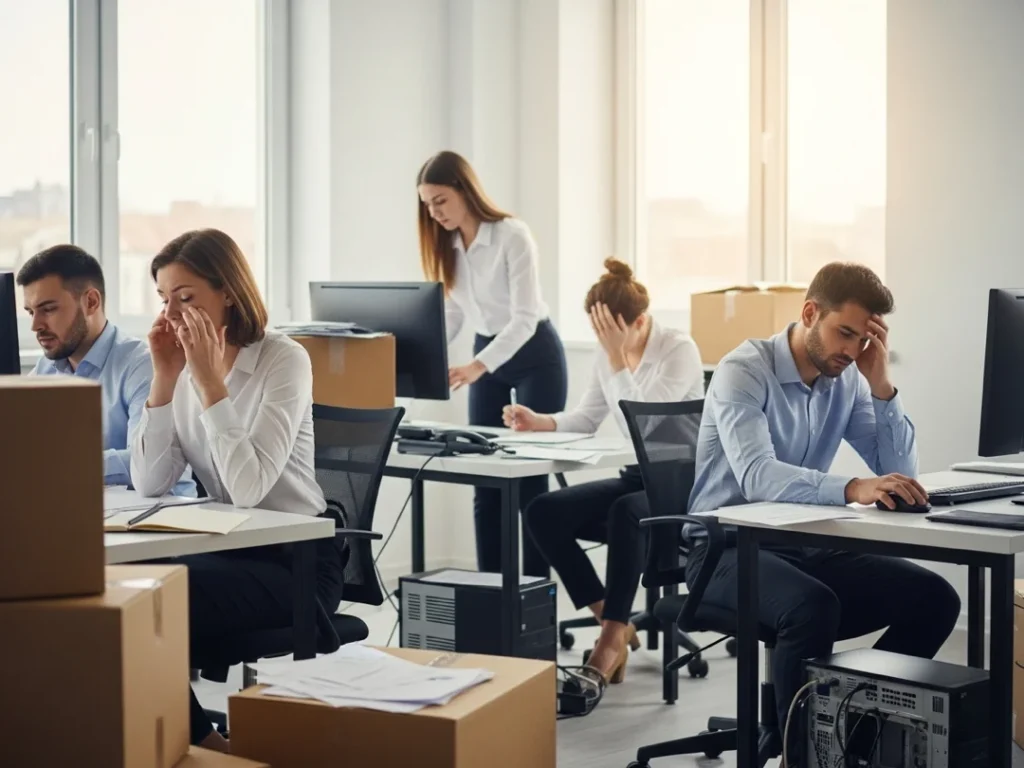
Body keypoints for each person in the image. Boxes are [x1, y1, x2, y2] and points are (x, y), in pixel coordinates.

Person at [687, 261, 960, 742]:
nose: (852, 350)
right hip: (724, 549)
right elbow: (757, 476)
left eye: (864, 340)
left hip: (799, 543)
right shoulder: (743, 371)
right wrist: (852, 488)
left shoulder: (848, 378)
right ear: (810, 312)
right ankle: (805, 751)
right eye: (845, 333)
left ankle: (855, 731)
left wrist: (881, 385)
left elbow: (900, 470)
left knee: (935, 598)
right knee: (812, 607)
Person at [129, 228, 343, 753]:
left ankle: (204, 747)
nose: (173, 314)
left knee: (144, 610)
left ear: (227, 291)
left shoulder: (282, 360)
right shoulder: (181, 372)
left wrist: (208, 383)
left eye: (186, 298)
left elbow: (248, 489)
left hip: (295, 566)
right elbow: (149, 481)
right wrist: (164, 378)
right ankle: (188, 741)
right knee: (122, 592)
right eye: (164, 301)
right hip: (225, 551)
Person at [510, 257, 703, 691]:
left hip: (677, 486)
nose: (602, 342)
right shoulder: (608, 354)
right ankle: (611, 619)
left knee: (624, 513)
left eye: (608, 333)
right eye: (597, 334)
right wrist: (539, 420)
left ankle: (611, 640)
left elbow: (645, 427)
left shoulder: (678, 350)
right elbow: (587, 417)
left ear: (638, 322)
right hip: (637, 479)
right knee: (542, 511)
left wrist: (618, 361)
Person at [417, 150, 568, 577]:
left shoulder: (511, 235)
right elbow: (456, 313)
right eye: (428, 204)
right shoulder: (446, 245)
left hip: (534, 350)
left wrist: (476, 367)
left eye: (441, 200)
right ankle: (490, 592)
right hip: (489, 350)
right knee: (485, 479)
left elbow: (522, 319)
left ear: (465, 190)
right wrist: (423, 356)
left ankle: (535, 595)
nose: (435, 212)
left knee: (529, 481)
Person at [17, 244, 194, 494]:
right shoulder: (46, 368)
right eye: (30, 312)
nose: (35, 325)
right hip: (87, 508)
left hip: (162, 514)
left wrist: (63, 465)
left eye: (48, 309)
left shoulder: (142, 364)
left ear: (91, 302)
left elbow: (144, 463)